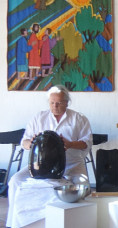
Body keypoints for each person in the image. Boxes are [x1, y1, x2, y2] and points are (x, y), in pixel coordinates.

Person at [7, 85, 93, 227]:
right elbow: (24, 142)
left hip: (72, 163)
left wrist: (70, 144)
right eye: (52, 102)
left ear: (67, 102)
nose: (55, 106)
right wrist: (33, 143)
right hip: (41, 166)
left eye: (59, 102)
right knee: (15, 180)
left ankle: (77, 223)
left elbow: (86, 143)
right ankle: (13, 222)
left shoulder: (79, 118)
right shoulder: (39, 117)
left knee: (82, 186)